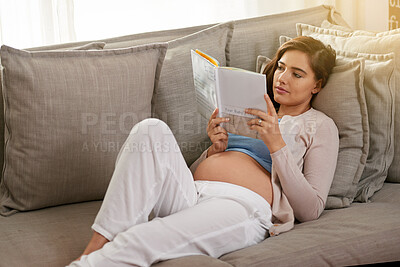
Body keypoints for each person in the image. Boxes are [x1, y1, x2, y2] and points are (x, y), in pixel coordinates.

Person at [68, 36, 339, 267]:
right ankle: (99, 241)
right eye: (281, 68)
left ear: (317, 85)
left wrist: (277, 145)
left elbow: (312, 208)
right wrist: (214, 149)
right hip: (192, 192)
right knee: (150, 129)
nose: (282, 78)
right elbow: (198, 169)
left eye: (297, 74)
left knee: (143, 238)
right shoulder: (250, 106)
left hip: (242, 206)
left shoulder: (319, 125)